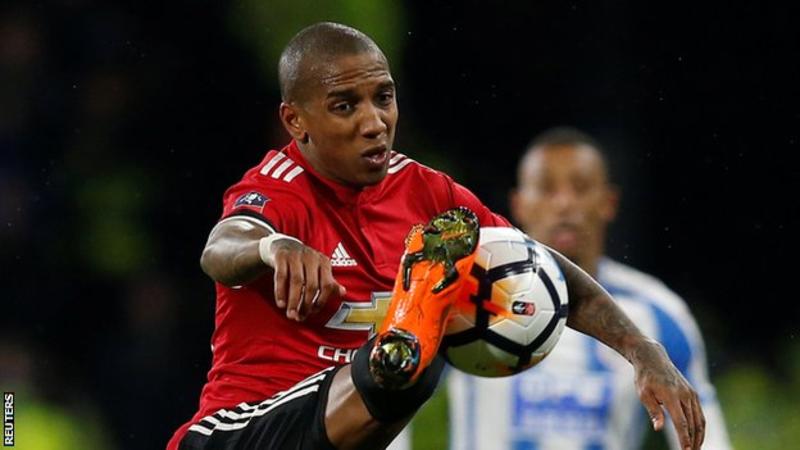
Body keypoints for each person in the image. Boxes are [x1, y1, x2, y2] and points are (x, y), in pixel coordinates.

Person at [167, 23, 705, 450]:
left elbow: (539, 268)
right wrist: (273, 246)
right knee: (409, 362)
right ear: (295, 121)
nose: (374, 122)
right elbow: (223, 246)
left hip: (352, 422)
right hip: (242, 432)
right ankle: (412, 331)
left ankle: (410, 334)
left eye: (383, 97)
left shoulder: (427, 195)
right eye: (345, 105)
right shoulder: (279, 188)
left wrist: (640, 348)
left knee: (410, 359)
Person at [446, 127, 731, 449]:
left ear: (609, 203)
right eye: (546, 189)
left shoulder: (658, 312)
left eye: (580, 188)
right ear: (519, 204)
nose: (564, 204)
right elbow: (401, 389)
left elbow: (707, 439)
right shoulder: (466, 291)